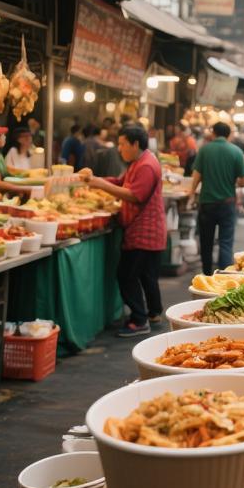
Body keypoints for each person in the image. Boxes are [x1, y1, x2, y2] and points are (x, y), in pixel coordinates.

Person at [80, 126, 166, 337]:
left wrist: (100, 183)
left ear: (135, 144)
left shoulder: (146, 165)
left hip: (144, 230)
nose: (119, 149)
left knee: (126, 275)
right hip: (147, 229)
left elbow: (135, 195)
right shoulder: (139, 161)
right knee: (146, 274)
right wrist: (97, 183)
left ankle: (139, 320)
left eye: (122, 144)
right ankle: (154, 313)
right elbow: (121, 182)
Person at [190, 122, 244, 275]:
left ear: (213, 133)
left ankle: (207, 274)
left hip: (207, 203)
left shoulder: (205, 150)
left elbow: (196, 175)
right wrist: (233, 180)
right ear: (228, 134)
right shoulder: (235, 151)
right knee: (225, 242)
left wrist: (191, 194)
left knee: (206, 241)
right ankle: (223, 276)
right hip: (227, 203)